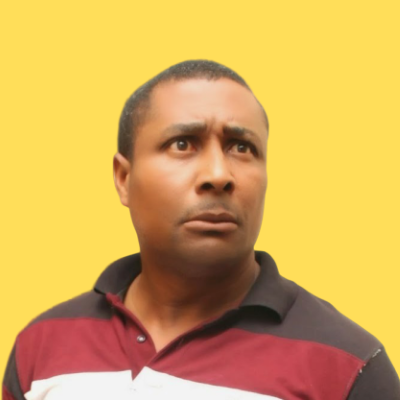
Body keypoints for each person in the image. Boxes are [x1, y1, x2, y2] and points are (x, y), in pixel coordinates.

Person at [3, 60, 399, 400]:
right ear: (124, 178)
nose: (218, 174)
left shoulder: (348, 366)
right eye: (183, 144)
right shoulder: (43, 345)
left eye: (242, 147)